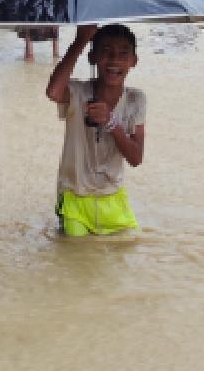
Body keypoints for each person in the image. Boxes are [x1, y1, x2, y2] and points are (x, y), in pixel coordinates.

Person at [45, 24, 146, 237]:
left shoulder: (136, 99)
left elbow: (136, 158)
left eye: (123, 53)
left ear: (133, 61)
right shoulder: (78, 93)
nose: (114, 60)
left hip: (113, 196)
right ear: (92, 57)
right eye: (106, 51)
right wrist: (80, 40)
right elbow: (54, 92)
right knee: (78, 257)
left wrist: (111, 123)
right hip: (75, 197)